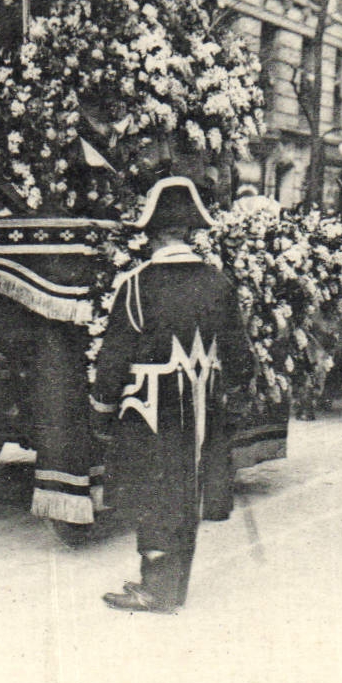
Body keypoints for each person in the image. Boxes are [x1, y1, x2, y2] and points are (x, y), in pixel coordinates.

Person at [91, 176, 252, 614]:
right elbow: (239, 354)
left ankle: (155, 588)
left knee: (153, 490)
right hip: (204, 404)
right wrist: (234, 391)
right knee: (189, 488)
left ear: (154, 234)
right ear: (186, 232)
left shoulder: (137, 285)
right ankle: (174, 585)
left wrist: (102, 409)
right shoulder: (217, 281)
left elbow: (113, 359)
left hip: (150, 406)